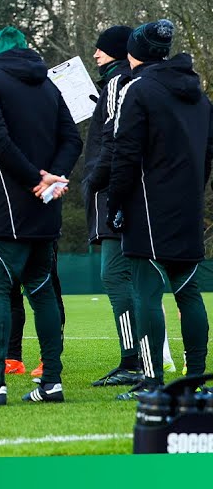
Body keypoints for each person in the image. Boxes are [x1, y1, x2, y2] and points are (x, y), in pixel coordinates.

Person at [0, 23, 81, 406]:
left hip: (4, 208)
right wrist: (53, 179)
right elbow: (72, 139)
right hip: (45, 208)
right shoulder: (47, 83)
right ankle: (51, 383)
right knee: (42, 294)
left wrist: (33, 178)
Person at [108, 20, 211, 397]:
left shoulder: (139, 91)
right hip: (187, 206)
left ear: (136, 51)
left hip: (148, 207)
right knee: (189, 291)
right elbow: (208, 156)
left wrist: (115, 203)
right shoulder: (200, 97)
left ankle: (151, 381)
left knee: (146, 293)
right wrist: (193, 195)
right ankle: (197, 379)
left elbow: (125, 154)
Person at [80, 26, 146, 388]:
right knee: (135, 279)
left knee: (115, 275)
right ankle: (143, 358)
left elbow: (115, 141)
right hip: (126, 192)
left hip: (114, 194)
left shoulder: (120, 83)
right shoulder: (123, 82)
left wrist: (94, 179)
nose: (95, 55)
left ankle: (132, 360)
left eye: (101, 49)